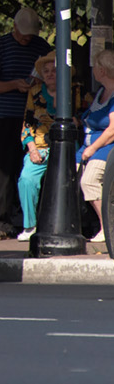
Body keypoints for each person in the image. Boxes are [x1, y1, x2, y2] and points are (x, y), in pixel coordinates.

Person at [0, 6, 50, 239]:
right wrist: (14, 84)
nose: (27, 39)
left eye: (31, 35)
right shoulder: (1, 46)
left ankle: (36, 222)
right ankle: (0, 224)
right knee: (4, 171)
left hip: (37, 119)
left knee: (35, 168)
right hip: (7, 115)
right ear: (14, 27)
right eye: (24, 34)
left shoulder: (42, 47)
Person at [18, 52, 88, 242]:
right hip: (40, 146)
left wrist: (77, 121)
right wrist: (32, 148)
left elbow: (87, 116)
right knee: (26, 179)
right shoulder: (35, 92)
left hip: (67, 146)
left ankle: (77, 225)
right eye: (46, 71)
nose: (50, 74)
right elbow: (27, 123)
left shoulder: (75, 91)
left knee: (76, 179)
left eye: (54, 70)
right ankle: (30, 226)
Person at [80, 49, 114, 246]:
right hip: (86, 146)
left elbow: (112, 130)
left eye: (95, 67)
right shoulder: (101, 92)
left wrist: (92, 149)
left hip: (104, 147)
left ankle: (106, 227)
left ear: (102, 70)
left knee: (89, 181)